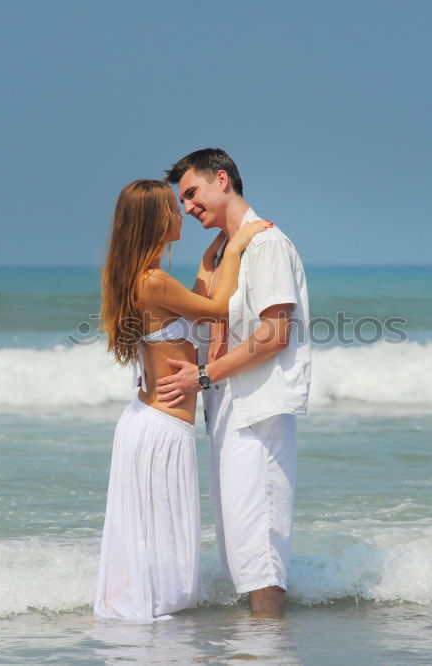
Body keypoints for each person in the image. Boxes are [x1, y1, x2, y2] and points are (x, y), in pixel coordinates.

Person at [93, 179, 271, 620]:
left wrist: (210, 260)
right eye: (174, 209)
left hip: (148, 420)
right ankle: (151, 634)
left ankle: (144, 630)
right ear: (155, 220)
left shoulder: (145, 278)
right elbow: (217, 311)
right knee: (158, 539)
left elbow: (194, 304)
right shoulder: (152, 281)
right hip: (160, 428)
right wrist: (234, 249)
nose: (182, 215)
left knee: (152, 538)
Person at [157, 149, 311, 617]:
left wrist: (202, 375)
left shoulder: (266, 244)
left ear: (221, 179)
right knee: (238, 552)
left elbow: (275, 334)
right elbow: (205, 318)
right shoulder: (225, 250)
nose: (186, 207)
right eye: (182, 200)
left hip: (256, 409)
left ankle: (266, 648)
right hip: (225, 408)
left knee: (259, 553)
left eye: (191, 193)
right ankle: (256, 646)